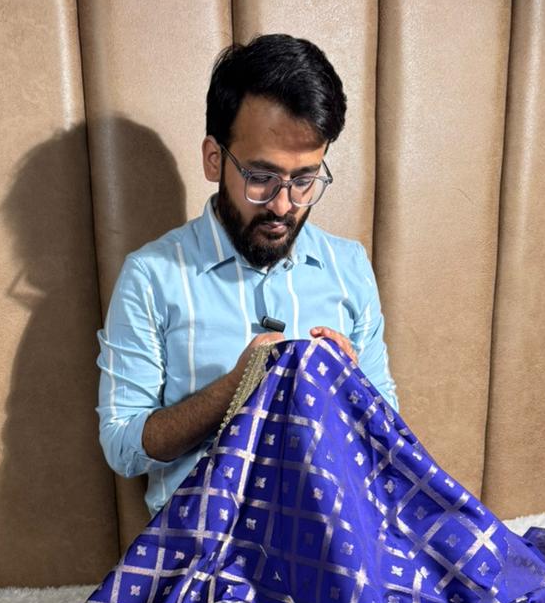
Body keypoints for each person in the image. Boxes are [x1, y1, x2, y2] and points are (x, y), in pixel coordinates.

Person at [97, 34, 399, 517]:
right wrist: (234, 389)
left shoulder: (349, 267)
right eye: (261, 177)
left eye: (304, 180)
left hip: (334, 533)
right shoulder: (151, 278)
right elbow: (123, 446)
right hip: (210, 547)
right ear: (214, 158)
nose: (283, 205)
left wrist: (349, 388)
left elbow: (389, 438)